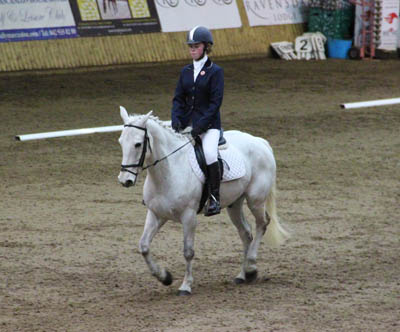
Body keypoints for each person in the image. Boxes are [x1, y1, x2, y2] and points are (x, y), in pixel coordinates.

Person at [171, 26, 224, 217]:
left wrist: (200, 126)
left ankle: (215, 198)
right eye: (190, 46)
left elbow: (215, 102)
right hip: (187, 124)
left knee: (210, 154)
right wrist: (175, 119)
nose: (192, 49)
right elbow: (178, 98)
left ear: (206, 47)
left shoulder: (215, 71)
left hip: (209, 126)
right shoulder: (185, 71)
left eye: (196, 46)